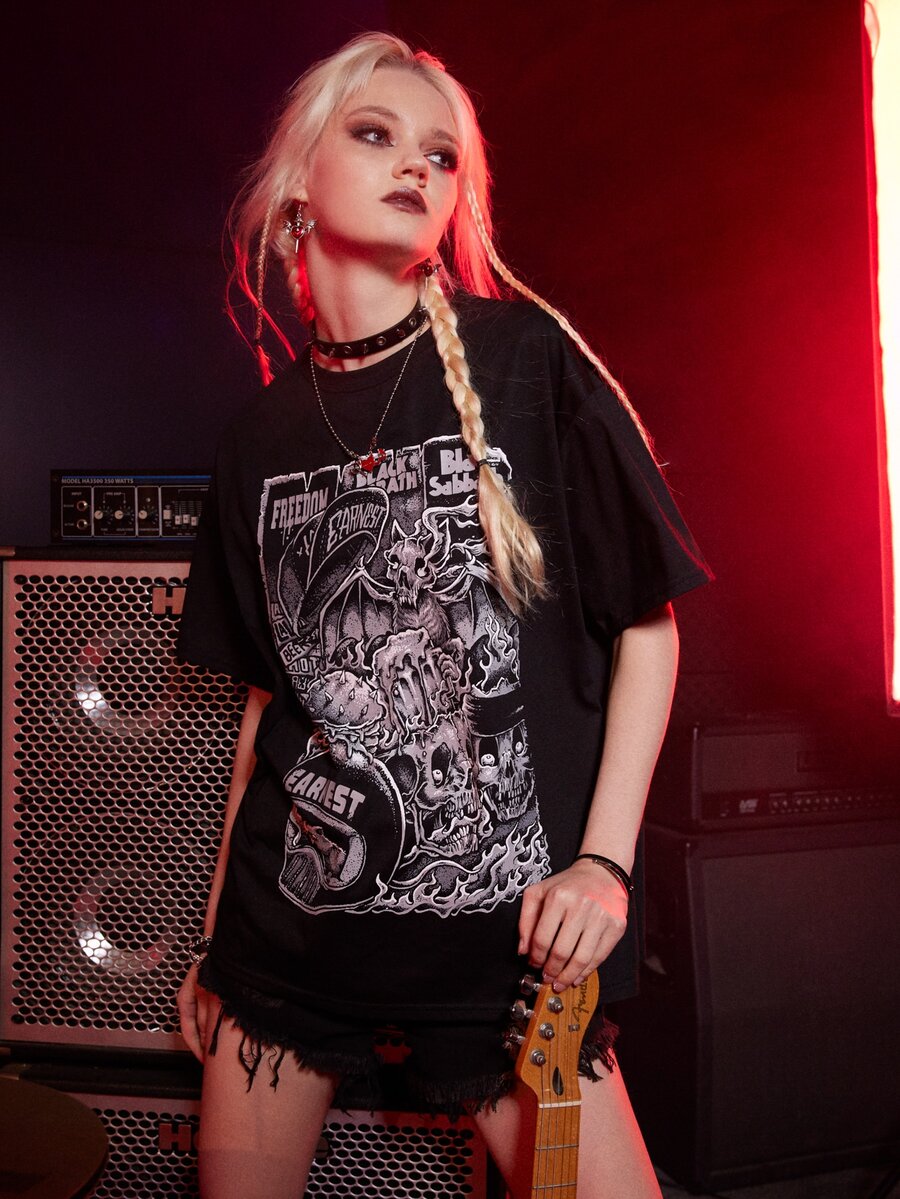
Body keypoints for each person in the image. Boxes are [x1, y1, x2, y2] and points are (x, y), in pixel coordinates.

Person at [175, 30, 711, 1199]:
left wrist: (604, 865)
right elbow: (271, 705)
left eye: (443, 154)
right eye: (376, 135)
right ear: (297, 183)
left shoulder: (525, 360)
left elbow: (648, 626)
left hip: (508, 962)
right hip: (289, 947)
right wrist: (220, 939)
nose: (415, 165)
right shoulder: (256, 437)